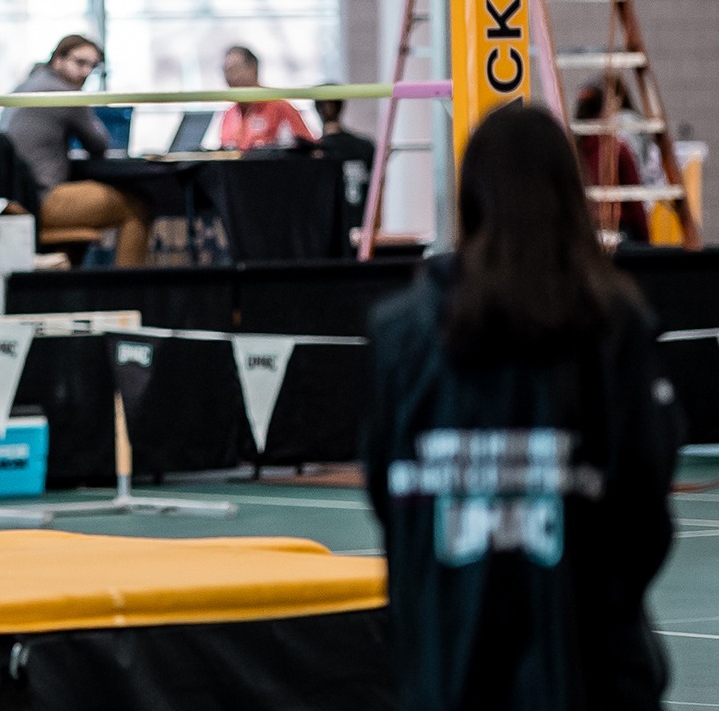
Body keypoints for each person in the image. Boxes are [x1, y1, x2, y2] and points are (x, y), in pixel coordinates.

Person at [363, 105, 680, 711]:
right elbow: (646, 505)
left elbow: (385, 490)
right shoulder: (614, 324)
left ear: (469, 194)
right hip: (586, 671)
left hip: (448, 664)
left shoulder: (401, 333)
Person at [0, 36, 150, 266]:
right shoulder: (63, 92)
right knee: (138, 206)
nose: (86, 71)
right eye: (80, 63)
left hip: (15, 200)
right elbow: (98, 144)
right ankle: (129, 290)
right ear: (58, 59)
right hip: (42, 199)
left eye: (93, 66)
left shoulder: (27, 85)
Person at [574, 83, 650, 246]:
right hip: (617, 231)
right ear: (605, 112)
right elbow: (634, 200)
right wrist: (645, 241)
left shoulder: (570, 150)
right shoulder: (617, 149)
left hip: (580, 232)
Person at [218, 45, 314, 150]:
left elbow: (308, 148)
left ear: (253, 68)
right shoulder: (229, 113)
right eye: (226, 71)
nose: (231, 77)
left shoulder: (279, 107)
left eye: (235, 69)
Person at [313, 90, 376, 235]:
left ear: (317, 110)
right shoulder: (365, 146)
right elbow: (378, 188)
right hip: (360, 229)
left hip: (331, 232)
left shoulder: (315, 152)